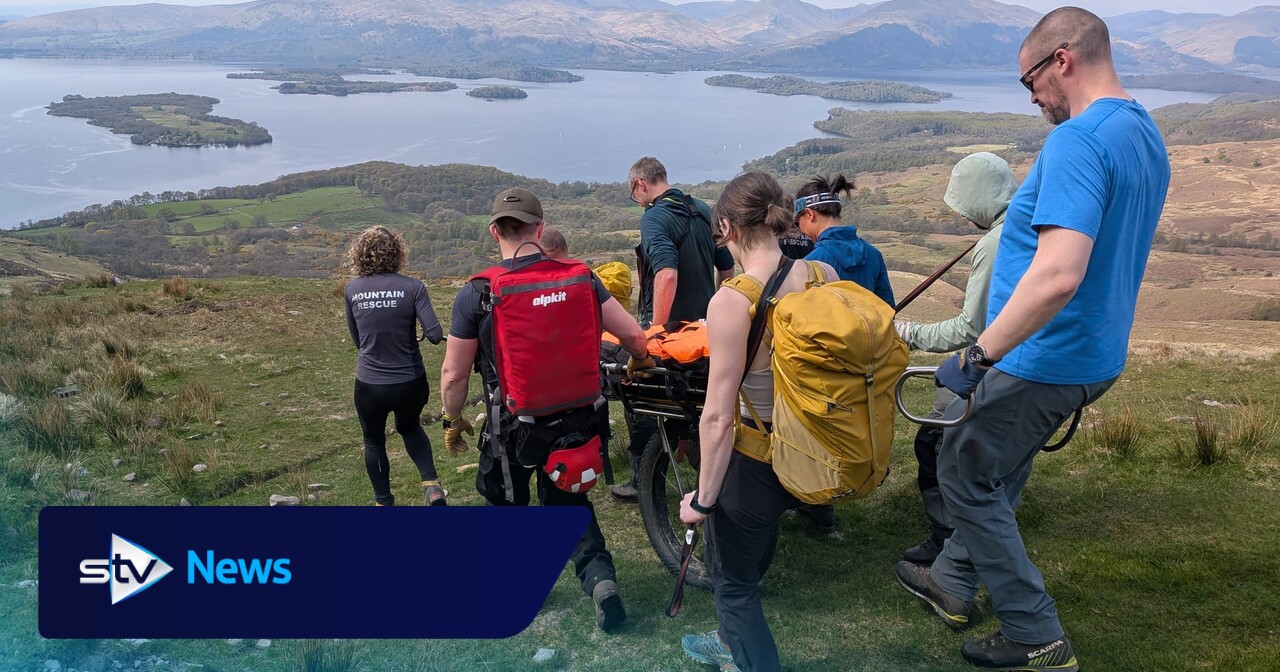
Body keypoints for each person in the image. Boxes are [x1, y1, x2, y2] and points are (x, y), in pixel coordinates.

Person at [895, 9, 1170, 671]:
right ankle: (952, 580)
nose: (1032, 97)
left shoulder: (1079, 140)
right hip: (1095, 351)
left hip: (1045, 353)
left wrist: (978, 353)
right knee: (997, 465)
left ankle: (1034, 633)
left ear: (1063, 60)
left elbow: (1057, 274)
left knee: (964, 471)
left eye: (1030, 81)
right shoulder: (1143, 132)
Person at [439, 187, 651, 632]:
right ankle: (600, 580)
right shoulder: (582, 278)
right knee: (569, 502)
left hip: (511, 425)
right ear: (540, 227)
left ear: (494, 231)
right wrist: (639, 360)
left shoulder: (477, 292)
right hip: (576, 418)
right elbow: (634, 336)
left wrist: (452, 420)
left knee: (504, 504)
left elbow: (454, 374)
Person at [677, 172, 838, 672]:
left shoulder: (732, 300)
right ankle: (731, 644)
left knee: (733, 584)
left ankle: (746, 657)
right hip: (816, 446)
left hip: (759, 458)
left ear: (726, 227)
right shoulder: (824, 274)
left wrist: (702, 500)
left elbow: (718, 416)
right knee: (748, 555)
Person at [894, 152, 1018, 565]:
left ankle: (947, 539)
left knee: (934, 445)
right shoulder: (1027, 225)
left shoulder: (995, 244)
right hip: (1017, 364)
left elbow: (971, 327)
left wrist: (909, 333)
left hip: (992, 365)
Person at [612, 157, 734, 503]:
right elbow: (727, 269)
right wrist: (718, 312)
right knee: (699, 404)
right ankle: (715, 479)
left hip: (673, 332)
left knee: (640, 399)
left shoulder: (654, 218)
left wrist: (655, 334)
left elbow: (666, 275)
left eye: (633, 192)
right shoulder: (703, 210)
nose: (636, 199)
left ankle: (642, 479)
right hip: (706, 332)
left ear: (640, 184)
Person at [342, 225, 446, 507]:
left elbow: (358, 341)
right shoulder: (414, 287)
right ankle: (432, 486)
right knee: (410, 427)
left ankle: (383, 502)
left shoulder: (352, 289)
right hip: (410, 380)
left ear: (360, 254)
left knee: (373, 441)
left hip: (370, 383)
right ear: (397, 252)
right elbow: (435, 335)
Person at [794, 174, 894, 307]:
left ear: (809, 214)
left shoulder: (809, 264)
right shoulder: (874, 255)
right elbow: (887, 309)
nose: (800, 229)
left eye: (797, 223)